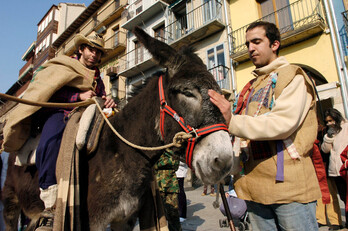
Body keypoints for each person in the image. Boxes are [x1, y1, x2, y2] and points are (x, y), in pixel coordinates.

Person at [208, 21, 321, 230]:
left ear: (275, 44)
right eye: (248, 44)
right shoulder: (250, 86)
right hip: (254, 188)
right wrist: (226, 169)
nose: (250, 48)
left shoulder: (293, 76)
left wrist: (232, 120)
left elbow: (282, 124)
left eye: (257, 42)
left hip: (289, 190)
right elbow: (241, 138)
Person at [3, 33, 116, 231]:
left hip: (89, 114)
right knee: (51, 141)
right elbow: (48, 91)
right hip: (61, 112)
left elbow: (102, 96)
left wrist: (108, 100)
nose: (94, 55)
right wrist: (77, 95)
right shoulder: (62, 66)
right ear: (80, 49)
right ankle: (50, 201)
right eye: (91, 49)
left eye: (98, 52)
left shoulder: (98, 77)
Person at [321, 108, 348, 228]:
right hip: (335, 170)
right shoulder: (329, 132)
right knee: (343, 197)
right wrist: (328, 137)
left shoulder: (346, 127)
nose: (329, 124)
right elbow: (324, 149)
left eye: (331, 121)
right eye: (327, 122)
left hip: (345, 167)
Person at [154, 150, 181, 231]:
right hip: (158, 187)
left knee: (173, 215)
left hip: (171, 187)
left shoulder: (173, 150)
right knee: (158, 216)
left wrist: (161, 162)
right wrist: (169, 161)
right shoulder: (156, 149)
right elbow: (155, 165)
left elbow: (176, 164)